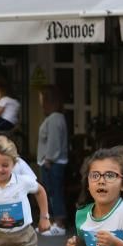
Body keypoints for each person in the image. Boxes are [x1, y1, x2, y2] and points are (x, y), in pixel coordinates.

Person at [36, 85, 69, 236]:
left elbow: (54, 142)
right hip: (51, 161)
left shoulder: (55, 118)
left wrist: (49, 159)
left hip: (53, 162)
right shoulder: (54, 117)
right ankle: (51, 222)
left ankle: (59, 223)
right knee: (51, 192)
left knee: (54, 193)